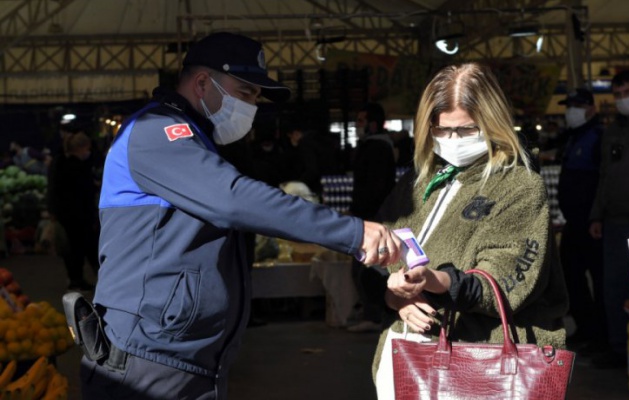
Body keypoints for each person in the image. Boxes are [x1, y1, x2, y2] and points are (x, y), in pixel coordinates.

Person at [81, 31, 402, 400]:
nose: (252, 105)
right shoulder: (155, 133)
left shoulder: (197, 140)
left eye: (256, 97)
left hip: (183, 355)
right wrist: (354, 233)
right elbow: (233, 199)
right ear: (203, 83)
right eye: (245, 92)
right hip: (145, 358)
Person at [369, 62, 569, 399]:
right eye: (441, 130)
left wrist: (429, 281)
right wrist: (396, 298)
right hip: (407, 355)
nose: (452, 140)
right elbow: (381, 247)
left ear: (493, 122)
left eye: (465, 130)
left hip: (480, 359)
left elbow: (504, 280)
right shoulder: (420, 181)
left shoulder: (520, 185)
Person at [589, 69, 629, 369]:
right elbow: (605, 176)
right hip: (615, 222)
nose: (622, 99)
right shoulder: (611, 131)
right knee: (613, 288)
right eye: (617, 95)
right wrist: (597, 215)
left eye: (627, 92)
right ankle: (618, 350)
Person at [555, 88, 608, 354]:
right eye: (569, 105)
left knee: (599, 281)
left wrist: (596, 216)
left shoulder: (599, 137)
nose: (571, 110)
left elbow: (604, 181)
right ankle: (585, 328)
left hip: (593, 224)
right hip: (574, 223)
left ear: (591, 108)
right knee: (570, 277)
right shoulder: (573, 137)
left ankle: (601, 334)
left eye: (577, 105)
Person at [347, 102, 397, 333]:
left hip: (371, 217)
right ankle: (370, 309)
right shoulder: (376, 146)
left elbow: (373, 188)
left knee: (366, 268)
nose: (358, 125)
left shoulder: (376, 148)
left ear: (373, 124)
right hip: (368, 215)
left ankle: (373, 313)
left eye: (360, 121)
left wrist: (364, 214)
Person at [47, 131, 99, 290]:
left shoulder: (59, 163)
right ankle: (85, 279)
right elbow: (84, 192)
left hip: (67, 215)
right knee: (87, 248)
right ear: (82, 148)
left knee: (76, 249)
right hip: (79, 215)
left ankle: (76, 278)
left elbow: (54, 190)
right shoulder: (76, 167)